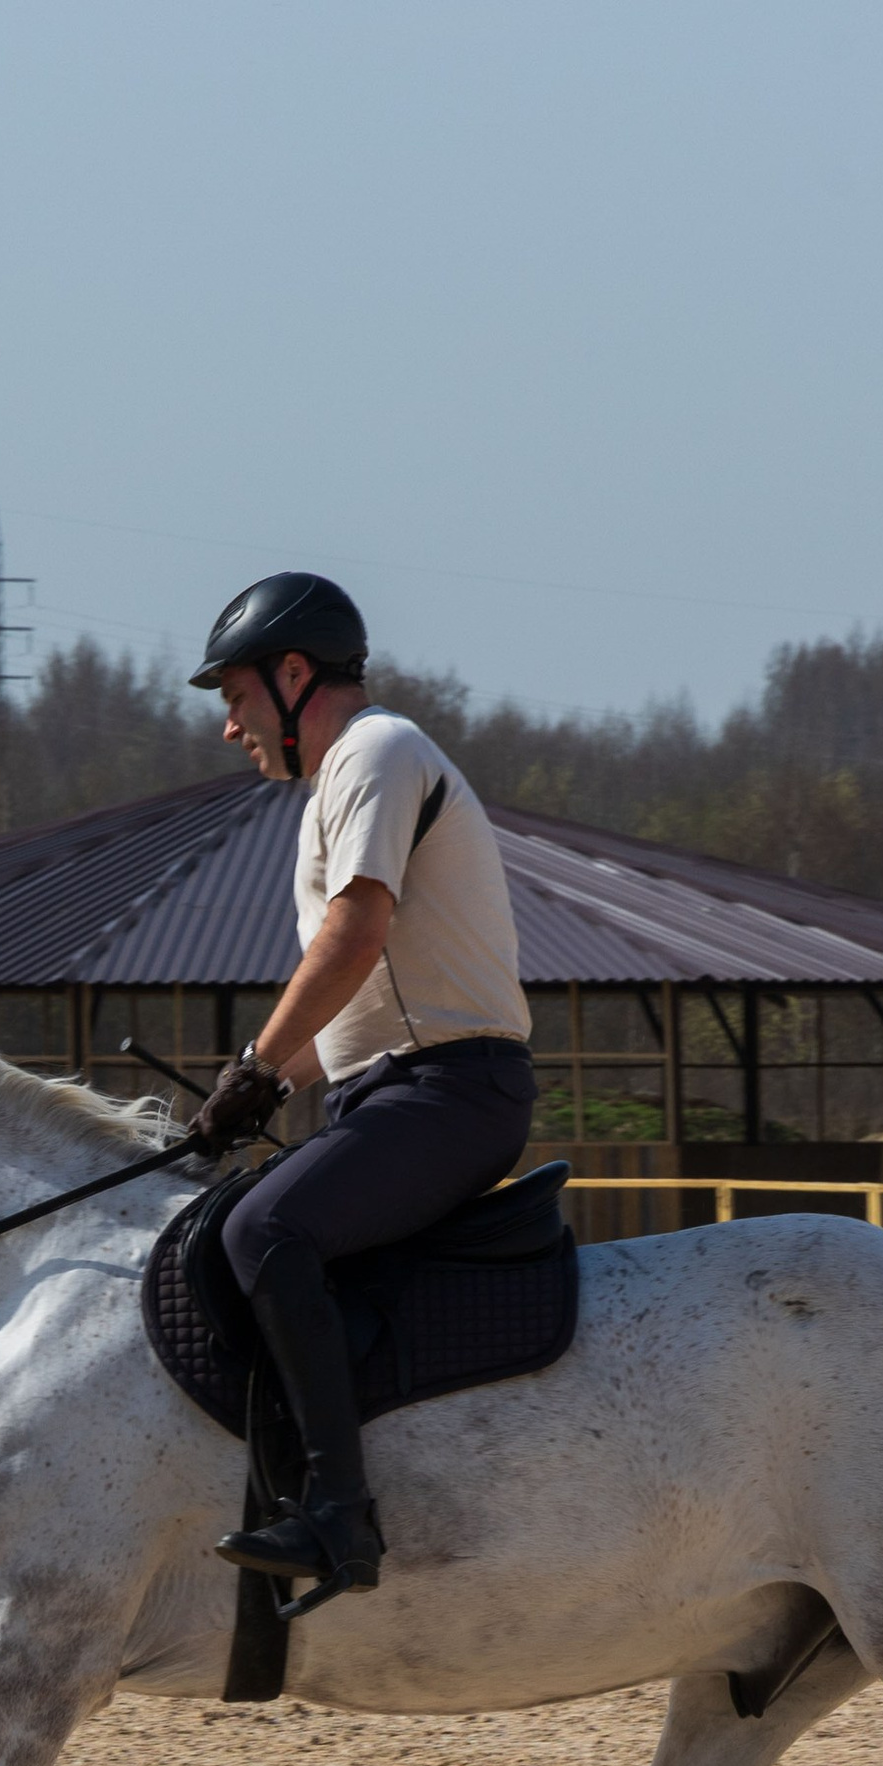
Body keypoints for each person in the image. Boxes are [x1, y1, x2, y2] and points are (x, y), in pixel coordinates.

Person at [185, 572, 535, 1605]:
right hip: (392, 1091)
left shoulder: (377, 752)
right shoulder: (342, 779)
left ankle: (340, 1514)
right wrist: (246, 1095)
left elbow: (353, 936)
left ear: (294, 675)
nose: (229, 728)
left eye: (235, 698)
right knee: (232, 1222)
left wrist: (255, 1071)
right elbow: (352, 1000)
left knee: (265, 1236)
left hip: (448, 1090)